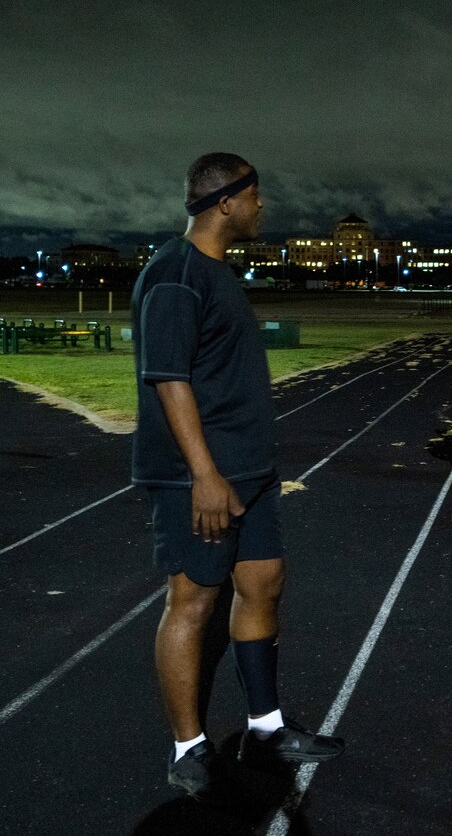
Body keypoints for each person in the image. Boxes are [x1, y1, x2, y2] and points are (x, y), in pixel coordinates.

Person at [134, 153, 343, 799]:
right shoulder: (174, 275)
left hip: (250, 475)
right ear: (226, 202)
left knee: (264, 584)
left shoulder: (216, 272)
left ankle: (267, 726)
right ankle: (188, 748)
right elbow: (169, 379)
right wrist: (204, 474)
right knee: (192, 603)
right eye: (256, 196)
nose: (262, 206)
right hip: (201, 479)